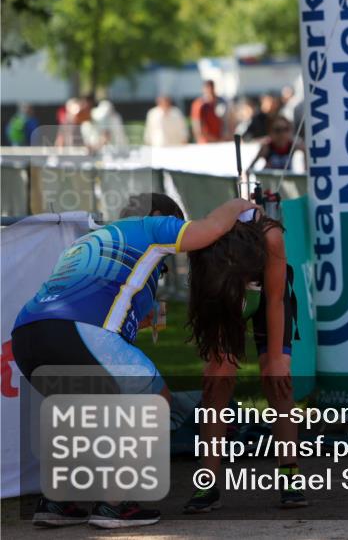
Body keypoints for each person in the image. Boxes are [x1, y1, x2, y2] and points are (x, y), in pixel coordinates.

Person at [11, 193, 259, 528]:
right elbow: (210, 229)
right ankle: (116, 504)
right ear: (160, 215)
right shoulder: (153, 225)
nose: (164, 266)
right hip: (79, 330)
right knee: (155, 400)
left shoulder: (92, 239)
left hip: (28, 335)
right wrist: (238, 205)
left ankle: (59, 502)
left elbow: (96, 298)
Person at [183, 209, 307, 512]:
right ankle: (207, 483)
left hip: (269, 297)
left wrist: (277, 359)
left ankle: (289, 474)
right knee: (217, 381)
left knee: (276, 377)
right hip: (221, 295)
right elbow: (203, 306)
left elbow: (276, 301)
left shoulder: (271, 238)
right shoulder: (204, 243)